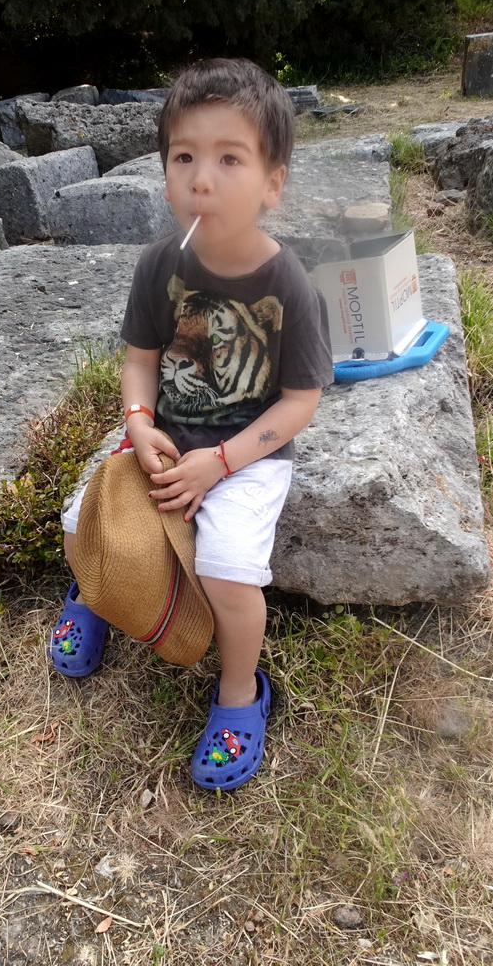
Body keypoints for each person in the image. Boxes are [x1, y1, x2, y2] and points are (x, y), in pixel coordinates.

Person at [50, 58, 333, 791]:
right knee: (88, 515)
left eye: (229, 159)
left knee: (228, 570)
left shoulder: (289, 287)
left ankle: (241, 693)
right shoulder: (158, 266)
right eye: (184, 157)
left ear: (274, 181)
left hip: (246, 455)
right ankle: (96, 594)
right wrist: (139, 423)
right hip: (168, 436)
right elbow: (139, 361)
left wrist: (225, 463)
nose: (200, 178)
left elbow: (299, 401)